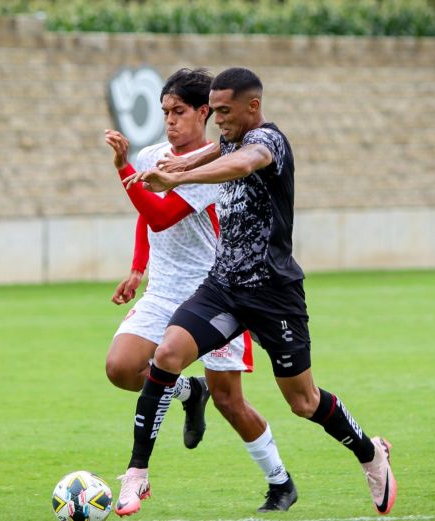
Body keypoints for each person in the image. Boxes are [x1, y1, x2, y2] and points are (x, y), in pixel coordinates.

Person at [117, 67, 397, 517]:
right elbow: (214, 150)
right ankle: (137, 474)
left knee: (303, 401)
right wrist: (179, 164)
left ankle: (370, 452)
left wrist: (179, 178)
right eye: (214, 109)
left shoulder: (269, 142)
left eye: (224, 111)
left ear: (253, 106)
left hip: (273, 293)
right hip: (223, 286)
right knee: (167, 354)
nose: (217, 119)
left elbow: (241, 163)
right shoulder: (227, 138)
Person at [104, 68, 297, 516]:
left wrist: (122, 168)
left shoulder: (212, 170)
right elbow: (143, 211)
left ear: (204, 112)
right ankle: (189, 394)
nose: (169, 121)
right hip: (164, 289)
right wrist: (137, 268)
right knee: (121, 368)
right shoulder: (155, 154)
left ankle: (280, 482)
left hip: (214, 292)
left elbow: (160, 215)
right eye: (165, 112)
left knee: (231, 400)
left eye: (179, 112)